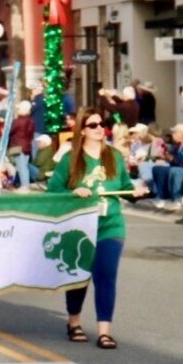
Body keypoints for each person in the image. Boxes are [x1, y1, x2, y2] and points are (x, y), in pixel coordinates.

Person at [47, 107, 147, 349]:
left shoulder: (113, 155)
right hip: (79, 228)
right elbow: (53, 190)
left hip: (110, 226)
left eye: (101, 124)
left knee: (106, 277)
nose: (100, 128)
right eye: (93, 125)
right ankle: (74, 322)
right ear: (82, 130)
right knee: (80, 277)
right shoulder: (71, 160)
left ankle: (104, 331)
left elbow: (124, 185)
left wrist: (135, 192)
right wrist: (73, 192)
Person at [9, 100, 35, 192]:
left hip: (17, 146)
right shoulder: (31, 121)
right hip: (27, 146)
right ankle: (25, 184)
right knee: (24, 166)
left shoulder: (18, 121)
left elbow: (10, 130)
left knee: (21, 167)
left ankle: (24, 186)